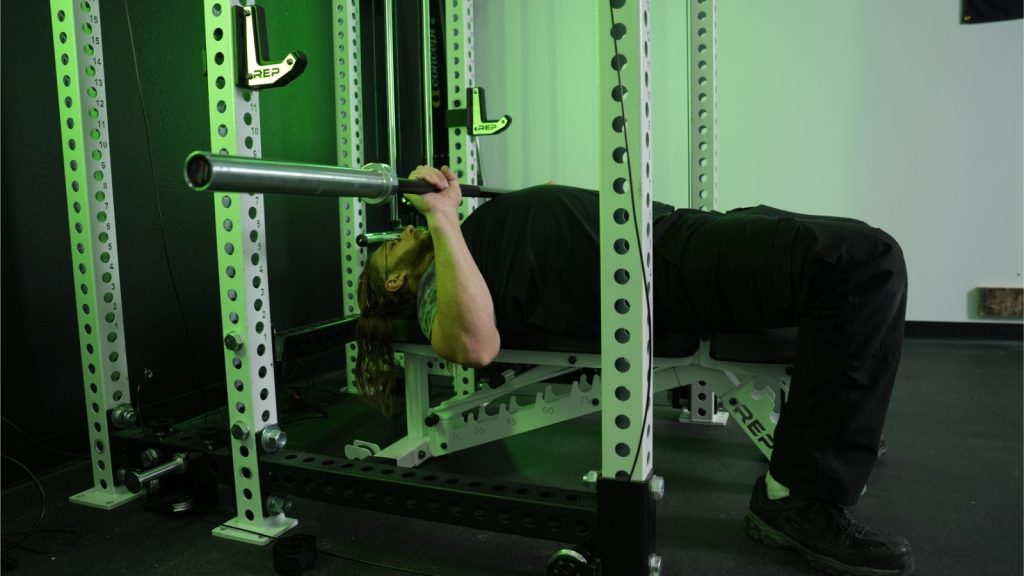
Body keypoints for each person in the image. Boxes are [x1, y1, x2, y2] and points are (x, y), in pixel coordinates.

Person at [355, 165, 914, 576]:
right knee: (861, 259)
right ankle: (798, 498)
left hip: (669, 232)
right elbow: (474, 345)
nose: (403, 233)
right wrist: (444, 219)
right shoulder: (438, 283)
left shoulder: (460, 246)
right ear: (396, 283)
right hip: (666, 267)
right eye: (389, 249)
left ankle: (836, 417)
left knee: (845, 255)